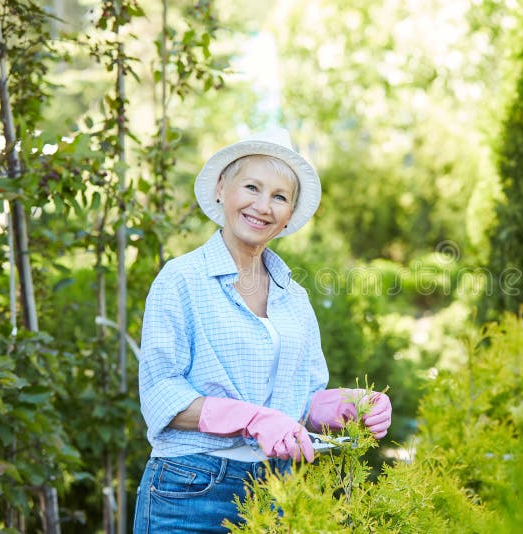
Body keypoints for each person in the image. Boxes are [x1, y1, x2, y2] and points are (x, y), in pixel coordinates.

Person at [133, 127, 392, 533]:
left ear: (289, 215)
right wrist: (253, 419)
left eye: (279, 197)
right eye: (251, 187)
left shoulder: (295, 298)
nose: (263, 206)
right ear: (222, 188)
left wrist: (350, 405)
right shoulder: (180, 279)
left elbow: (300, 404)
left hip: (276, 492)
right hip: (190, 491)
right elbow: (162, 397)